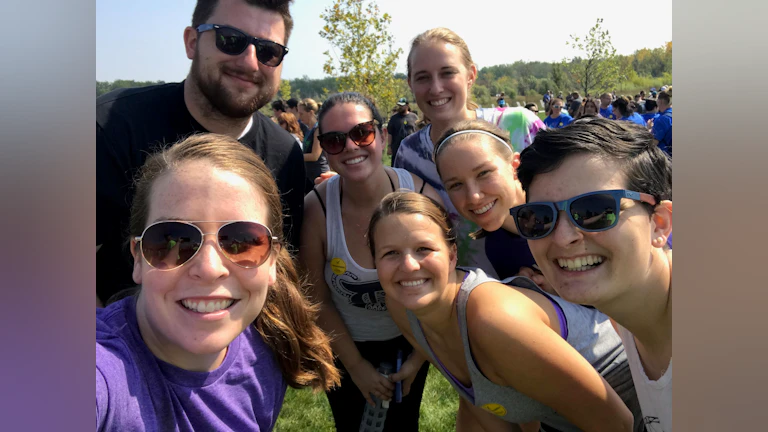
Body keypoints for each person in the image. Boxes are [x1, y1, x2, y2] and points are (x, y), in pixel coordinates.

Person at [96, 134, 340, 430]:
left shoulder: (267, 347)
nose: (210, 269)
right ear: (138, 259)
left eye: (242, 241)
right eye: (172, 239)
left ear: (273, 259)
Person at [368, 191, 639, 432]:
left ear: (452, 255)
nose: (408, 266)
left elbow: (616, 423)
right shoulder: (403, 307)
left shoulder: (494, 320)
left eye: (423, 249)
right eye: (390, 253)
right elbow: (481, 401)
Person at [96, 0, 305, 307]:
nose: (250, 62)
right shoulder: (113, 125)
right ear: (192, 42)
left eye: (268, 51)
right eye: (230, 40)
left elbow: (278, 269)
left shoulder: (285, 153)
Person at [515, 117, 672, 431]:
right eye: (539, 217)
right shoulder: (624, 316)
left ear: (659, 224)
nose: (562, 238)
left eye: (596, 211)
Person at [300, 92, 442, 431]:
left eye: (361, 132)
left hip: (412, 342)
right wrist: (356, 366)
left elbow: (446, 284)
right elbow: (315, 297)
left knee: (403, 425)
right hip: (344, 344)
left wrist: (419, 357)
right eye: (333, 140)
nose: (350, 146)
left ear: (382, 136)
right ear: (324, 149)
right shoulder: (318, 208)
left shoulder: (421, 197)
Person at [393, 27, 545, 280]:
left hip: (551, 278)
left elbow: (566, 198)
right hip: (468, 292)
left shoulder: (520, 125)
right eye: (422, 77)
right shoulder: (409, 155)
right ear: (410, 84)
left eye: (447, 73)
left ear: (470, 74)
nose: (436, 87)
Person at [298, 97, 330, 183]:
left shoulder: (318, 129)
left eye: (301, 114)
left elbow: (315, 155)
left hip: (320, 175)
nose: (299, 117)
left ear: (311, 113)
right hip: (310, 175)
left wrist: (296, 156)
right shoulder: (309, 129)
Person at [387, 98, 419, 165]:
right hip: (397, 149)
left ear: (407, 106)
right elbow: (390, 133)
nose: (400, 107)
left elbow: (418, 131)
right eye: (399, 105)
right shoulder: (394, 118)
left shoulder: (414, 117)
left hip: (411, 149)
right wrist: (389, 146)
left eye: (402, 105)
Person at [652, 90, 672, 157]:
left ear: (660, 101)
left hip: (665, 158)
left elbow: (653, 143)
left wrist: (648, 128)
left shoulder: (662, 120)